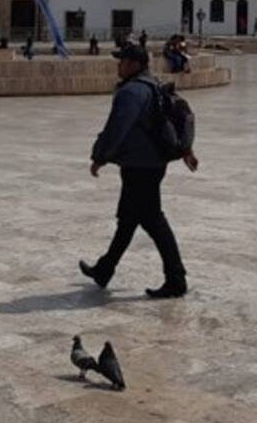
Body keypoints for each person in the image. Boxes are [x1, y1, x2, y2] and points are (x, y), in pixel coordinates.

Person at [79, 45, 197, 298]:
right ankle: (104, 269)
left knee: (154, 221)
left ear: (134, 64)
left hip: (140, 165)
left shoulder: (132, 92)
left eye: (122, 62)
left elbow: (117, 128)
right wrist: (186, 150)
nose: (118, 66)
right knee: (128, 220)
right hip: (150, 163)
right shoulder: (152, 85)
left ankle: (176, 279)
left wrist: (100, 157)